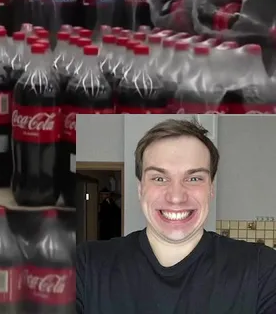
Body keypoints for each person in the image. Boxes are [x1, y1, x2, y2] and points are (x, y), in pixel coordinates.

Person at [75, 118, 276, 313]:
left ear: (211, 189)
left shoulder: (262, 269)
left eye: (194, 178)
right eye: (159, 178)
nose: (176, 197)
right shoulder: (85, 266)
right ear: (140, 189)